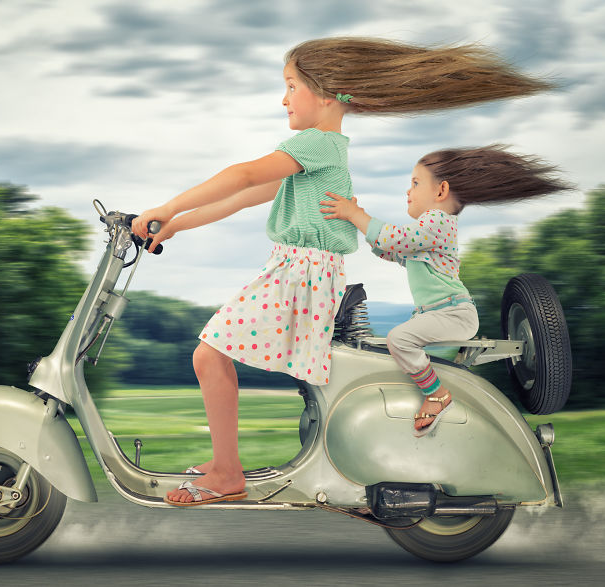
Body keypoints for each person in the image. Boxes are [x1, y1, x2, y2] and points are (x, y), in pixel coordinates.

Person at [132, 37, 554, 505]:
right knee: (212, 354)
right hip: (295, 269)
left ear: (327, 94)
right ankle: (223, 463)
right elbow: (247, 196)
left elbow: (245, 175)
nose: (284, 98)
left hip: (301, 273)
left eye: (291, 86)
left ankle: (228, 473)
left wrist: (164, 206)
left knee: (209, 356)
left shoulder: (318, 145)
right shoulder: (318, 154)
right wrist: (174, 225)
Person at [320, 145, 573, 437]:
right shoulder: (427, 234)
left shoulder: (437, 222)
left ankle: (437, 395)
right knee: (396, 343)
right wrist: (357, 221)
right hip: (440, 313)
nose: (408, 191)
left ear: (440, 191)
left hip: (453, 313)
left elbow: (394, 240)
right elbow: (393, 251)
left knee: (398, 340)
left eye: (415, 183)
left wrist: (357, 216)